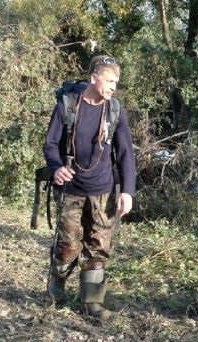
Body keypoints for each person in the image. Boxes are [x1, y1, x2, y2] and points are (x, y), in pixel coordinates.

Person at [43, 55, 136, 320]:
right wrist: (56, 167)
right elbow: (50, 144)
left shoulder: (115, 110)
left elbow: (126, 152)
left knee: (98, 246)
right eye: (109, 80)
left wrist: (127, 191)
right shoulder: (68, 106)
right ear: (94, 77)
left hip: (103, 191)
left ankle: (92, 303)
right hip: (71, 189)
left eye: (116, 82)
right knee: (67, 245)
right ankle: (55, 292)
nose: (113, 87)